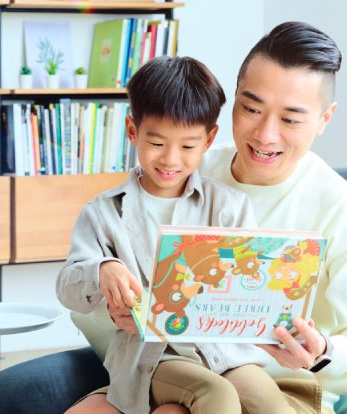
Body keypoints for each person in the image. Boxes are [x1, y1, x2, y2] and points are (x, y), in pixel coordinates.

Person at [104, 22, 347, 414]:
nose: (265, 135)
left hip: (283, 387)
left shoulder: (341, 208)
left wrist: (322, 351)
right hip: (176, 367)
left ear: (324, 119)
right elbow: (105, 265)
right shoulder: (184, 168)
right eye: (251, 109)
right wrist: (118, 303)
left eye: (290, 120)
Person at [56, 56, 300, 414]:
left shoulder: (229, 207)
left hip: (225, 353)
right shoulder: (104, 213)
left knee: (270, 403)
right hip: (154, 358)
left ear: (209, 139)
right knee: (216, 394)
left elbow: (251, 287)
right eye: (157, 143)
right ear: (132, 131)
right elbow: (67, 288)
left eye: (187, 147)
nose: (171, 159)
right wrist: (102, 269)